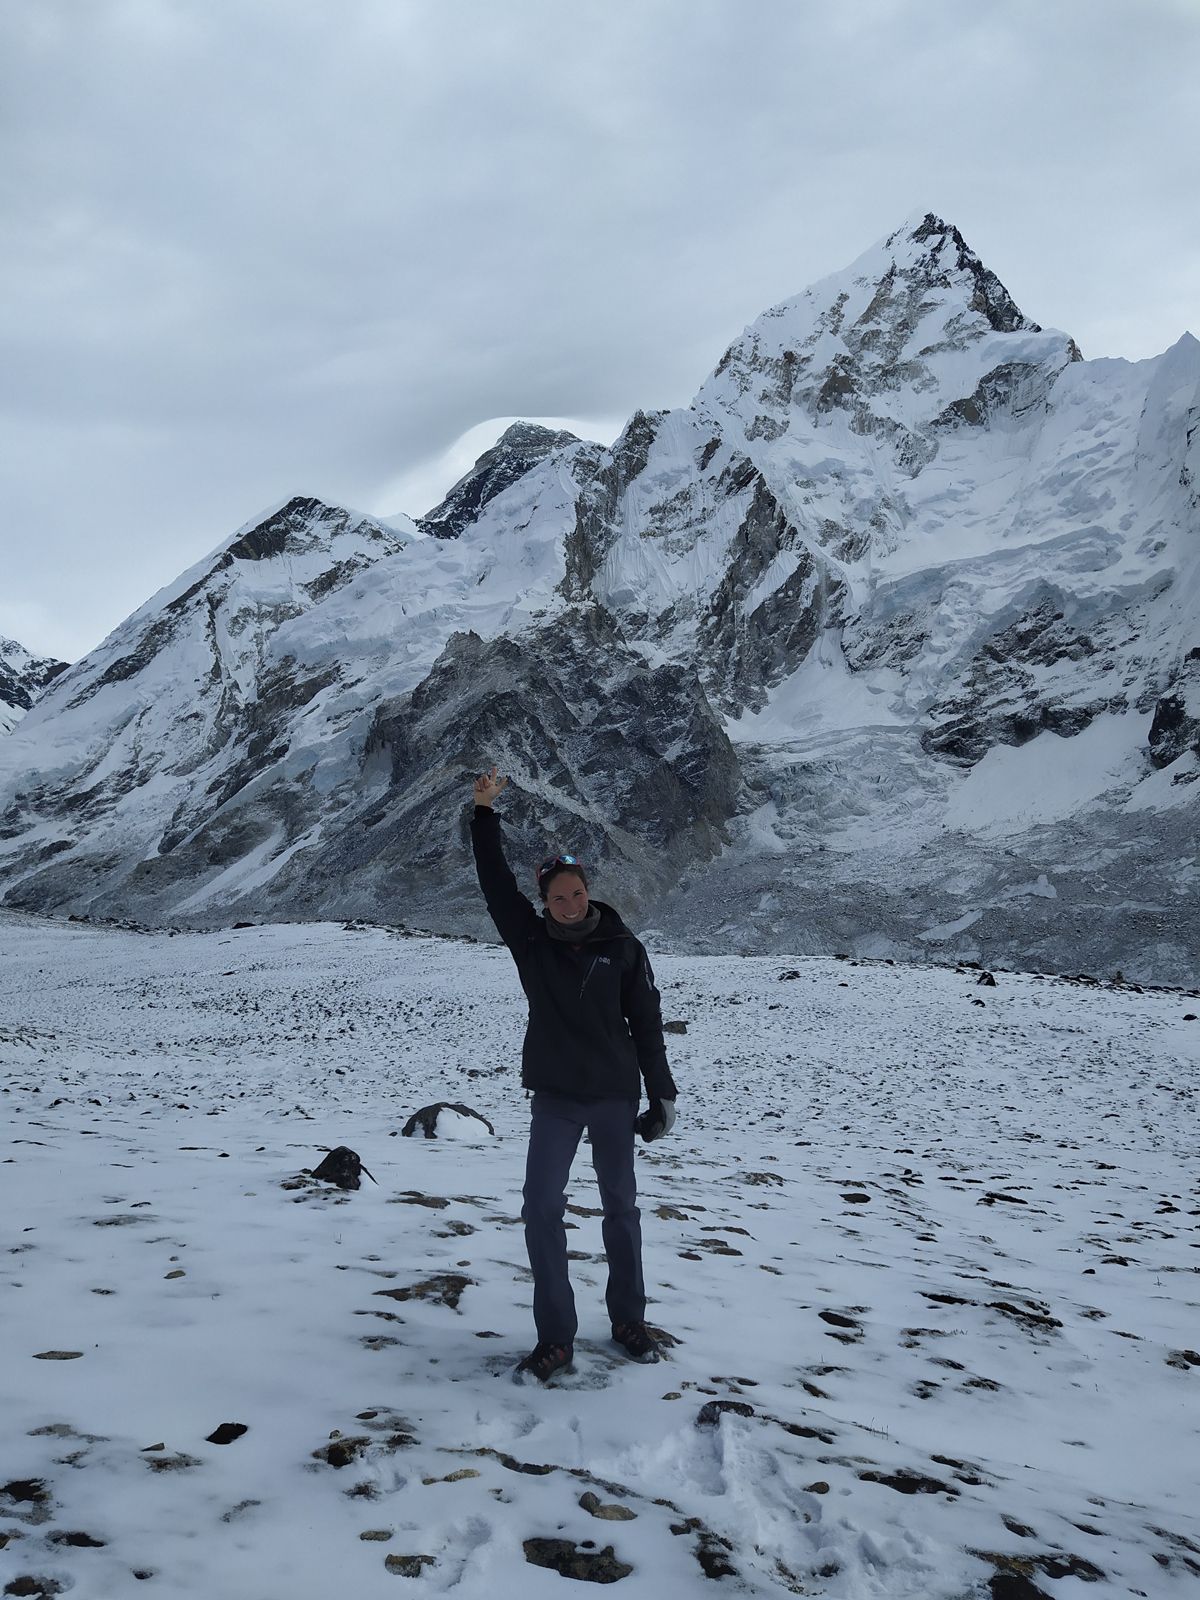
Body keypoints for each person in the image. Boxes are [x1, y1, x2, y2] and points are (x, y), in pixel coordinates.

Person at [470, 764, 677, 1382]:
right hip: (557, 1097)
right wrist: (483, 814)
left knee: (622, 1208)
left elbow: (647, 1022)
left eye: (576, 893)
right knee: (540, 1208)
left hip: (615, 1096)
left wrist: (660, 1094)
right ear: (545, 903)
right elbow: (494, 885)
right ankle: (556, 1336)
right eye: (557, 897)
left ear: (589, 892)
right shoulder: (532, 945)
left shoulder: (624, 948)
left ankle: (628, 1320)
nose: (568, 904)